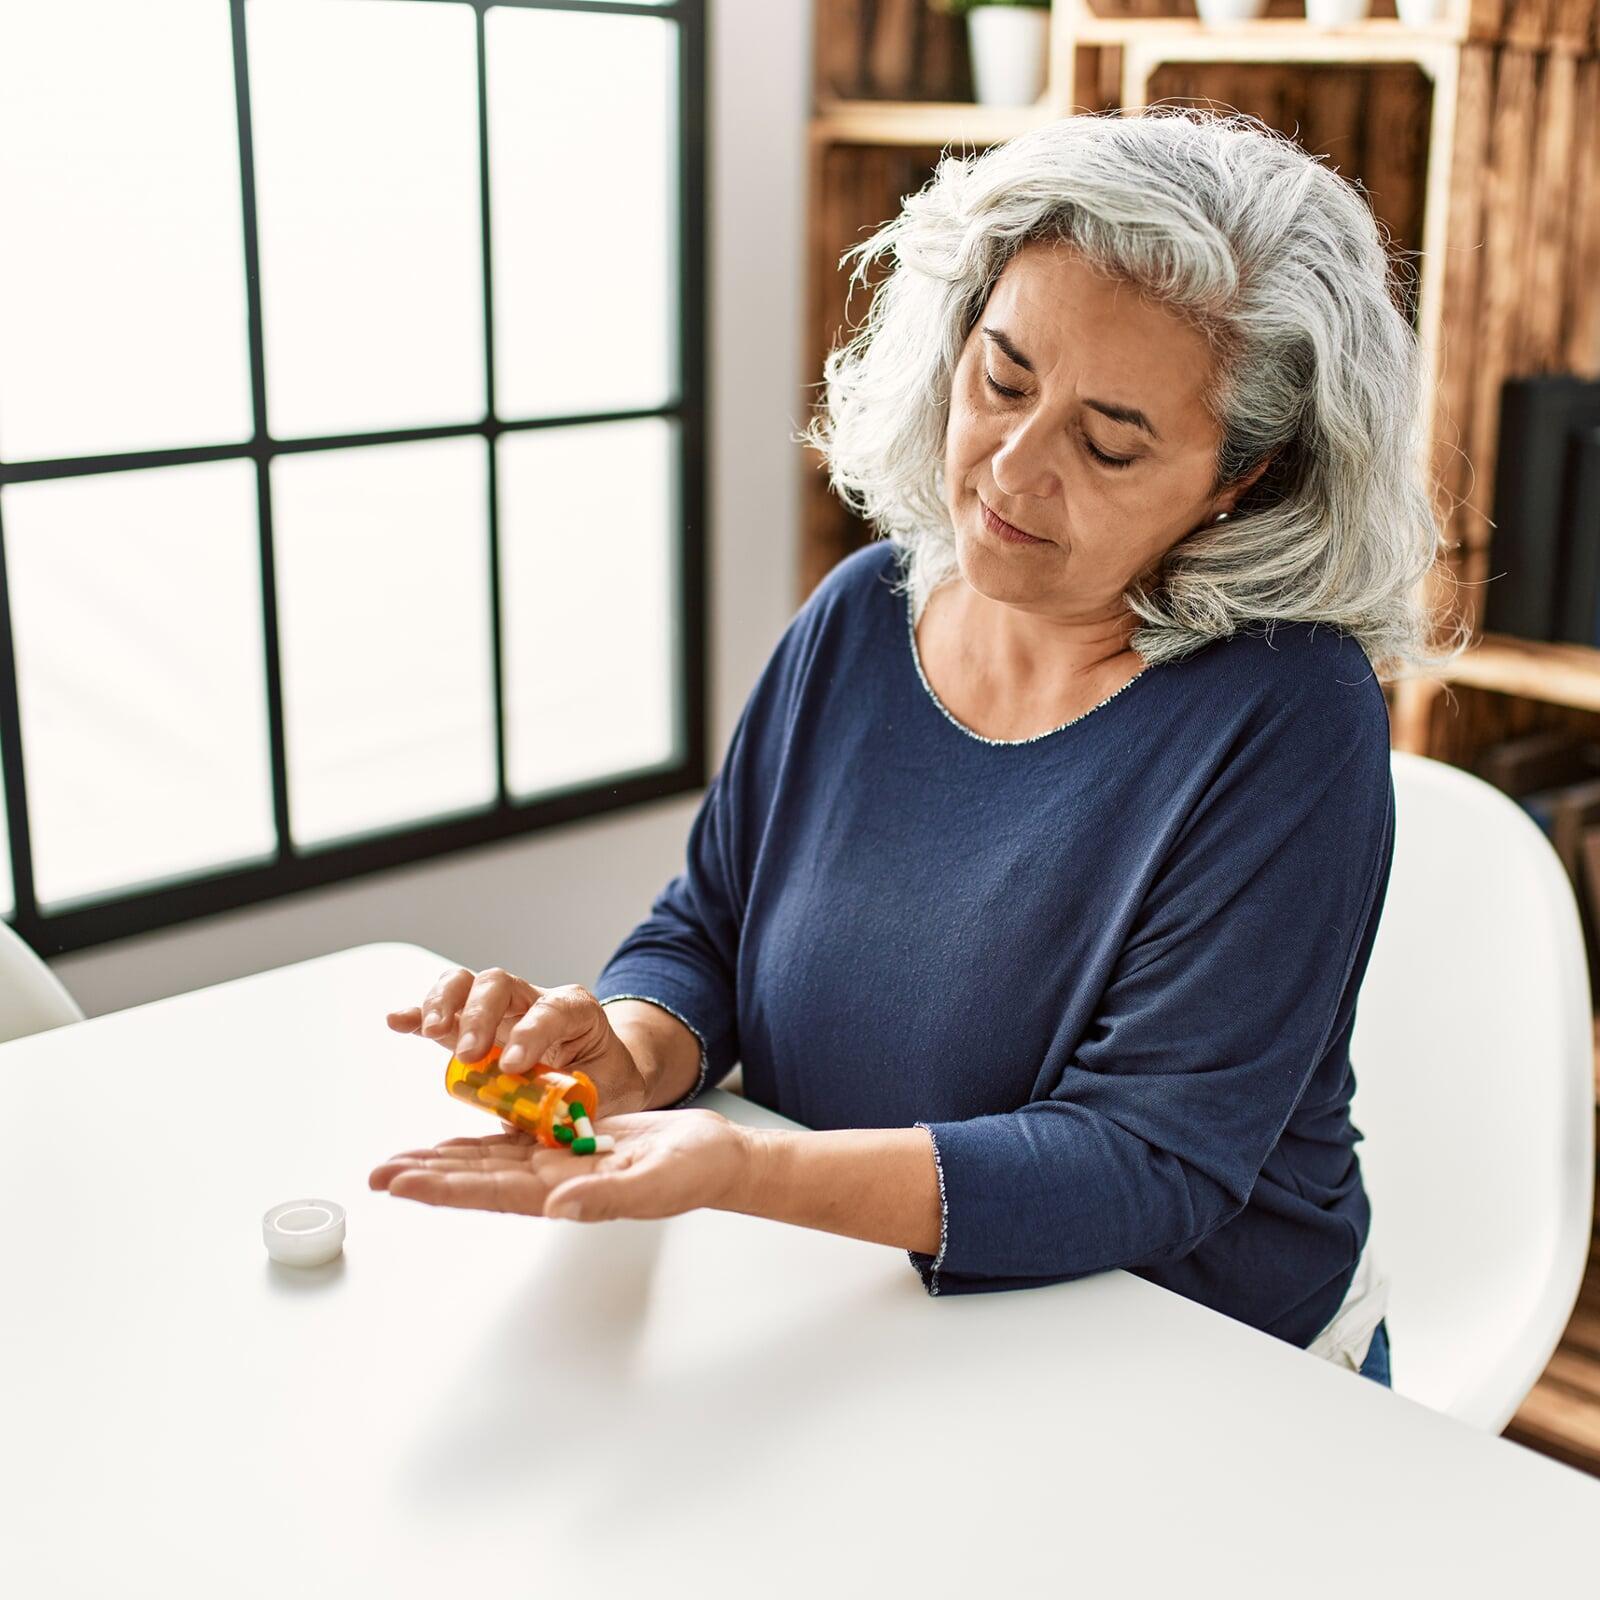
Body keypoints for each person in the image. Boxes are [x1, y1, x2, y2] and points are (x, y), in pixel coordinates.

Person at [371, 106, 1472, 1388]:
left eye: (1108, 441)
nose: (1011, 465)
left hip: (1192, 1363)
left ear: (1242, 480)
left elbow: (1149, 1158)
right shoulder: (862, 611)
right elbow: (709, 929)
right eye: (1001, 378)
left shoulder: (1288, 715)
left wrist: (743, 1168)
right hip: (870, 1311)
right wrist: (624, 1050)